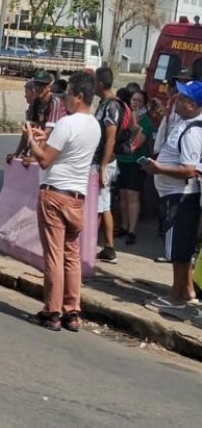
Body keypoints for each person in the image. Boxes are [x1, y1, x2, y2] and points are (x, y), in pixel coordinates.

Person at [24, 70, 100, 332]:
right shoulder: (94, 125)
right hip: (77, 197)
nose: (65, 99)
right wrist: (47, 139)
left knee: (54, 256)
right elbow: (67, 149)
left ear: (79, 96)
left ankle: (52, 311)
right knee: (71, 255)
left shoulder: (68, 123)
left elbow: (44, 159)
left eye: (69, 94)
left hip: (55, 193)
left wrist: (33, 141)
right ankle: (72, 311)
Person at [141, 80, 202, 318]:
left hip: (182, 197)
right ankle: (185, 290)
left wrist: (160, 170)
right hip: (174, 195)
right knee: (180, 248)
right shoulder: (185, 122)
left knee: (179, 249)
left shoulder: (194, 132)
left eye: (182, 97)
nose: (176, 98)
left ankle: (176, 298)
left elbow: (189, 170)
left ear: (192, 104)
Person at [114, 89, 155, 246]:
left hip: (136, 162)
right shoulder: (125, 117)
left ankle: (132, 230)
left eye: (139, 100)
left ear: (144, 104)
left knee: (132, 195)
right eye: (133, 100)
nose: (135, 103)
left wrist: (135, 125)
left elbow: (135, 144)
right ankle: (124, 226)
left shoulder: (145, 122)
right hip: (122, 160)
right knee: (123, 194)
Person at [92, 66, 121, 263]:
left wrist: (102, 167)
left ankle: (97, 246)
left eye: (95, 81)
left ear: (100, 84)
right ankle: (108, 248)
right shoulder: (104, 103)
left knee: (100, 206)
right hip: (102, 161)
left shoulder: (111, 106)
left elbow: (110, 139)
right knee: (103, 204)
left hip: (105, 162)